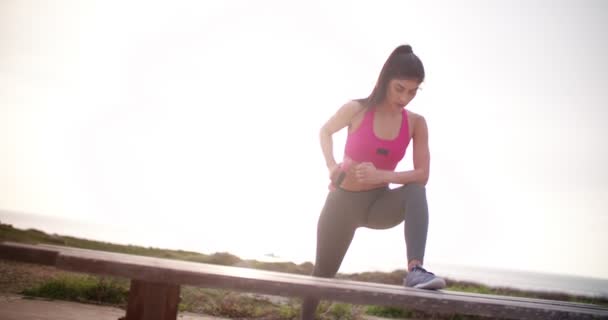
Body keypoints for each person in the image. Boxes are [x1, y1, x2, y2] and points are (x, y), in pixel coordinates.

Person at [300, 44, 446, 319]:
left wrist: (383, 176)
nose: (405, 98)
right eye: (399, 89)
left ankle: (415, 270)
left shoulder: (416, 123)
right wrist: (332, 165)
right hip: (342, 204)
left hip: (379, 205)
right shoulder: (356, 109)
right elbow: (325, 131)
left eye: (413, 92)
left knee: (415, 190)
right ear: (385, 80)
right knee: (321, 276)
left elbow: (422, 174)